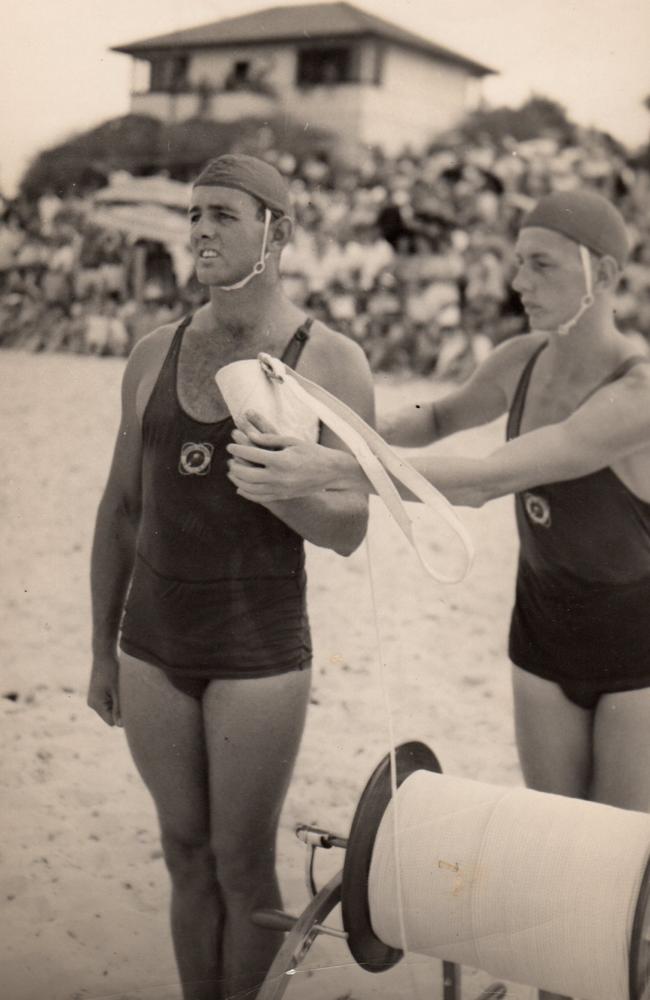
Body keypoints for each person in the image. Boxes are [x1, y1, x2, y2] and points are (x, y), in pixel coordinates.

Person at [227, 189, 650, 1000]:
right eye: (516, 259)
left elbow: (494, 477)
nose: (518, 278)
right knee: (556, 853)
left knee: (620, 871)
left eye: (542, 263)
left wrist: (335, 468)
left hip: (637, 643)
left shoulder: (635, 386)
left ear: (606, 274)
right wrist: (332, 422)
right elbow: (439, 414)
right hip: (542, 628)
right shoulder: (521, 358)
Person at [87, 153, 374, 1000]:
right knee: (183, 854)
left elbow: (352, 532)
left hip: (259, 654)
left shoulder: (329, 361)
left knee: (244, 867)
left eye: (223, 214)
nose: (202, 230)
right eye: (195, 215)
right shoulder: (152, 352)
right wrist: (101, 652)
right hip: (152, 649)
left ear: (277, 232)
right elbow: (120, 512)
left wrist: (285, 493)